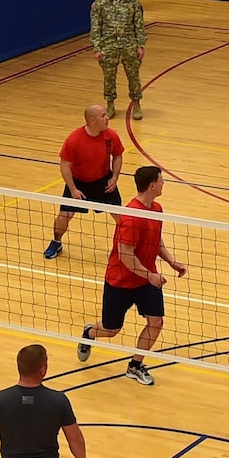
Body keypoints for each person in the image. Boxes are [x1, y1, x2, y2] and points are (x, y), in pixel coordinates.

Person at [77, 164, 187, 387]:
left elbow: (156, 242)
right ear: (153, 185)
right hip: (120, 281)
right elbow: (125, 255)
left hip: (145, 279)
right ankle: (89, 333)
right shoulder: (131, 216)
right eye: (162, 181)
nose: (164, 184)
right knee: (111, 330)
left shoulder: (156, 209)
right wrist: (150, 276)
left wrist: (171, 261)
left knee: (156, 322)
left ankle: (135, 365)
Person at [46, 104, 126, 260]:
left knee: (122, 217)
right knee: (63, 217)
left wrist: (115, 177)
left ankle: (126, 246)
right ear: (93, 120)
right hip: (78, 183)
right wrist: (73, 189)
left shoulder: (111, 135)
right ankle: (56, 242)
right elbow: (65, 165)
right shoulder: (74, 139)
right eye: (103, 115)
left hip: (104, 181)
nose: (107, 118)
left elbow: (117, 156)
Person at [90, 0, 147, 122]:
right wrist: (97, 47)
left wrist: (140, 45)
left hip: (129, 44)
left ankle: (137, 105)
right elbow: (96, 26)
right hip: (108, 45)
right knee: (109, 77)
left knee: (133, 76)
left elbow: (138, 24)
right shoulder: (101, 1)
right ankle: (110, 105)